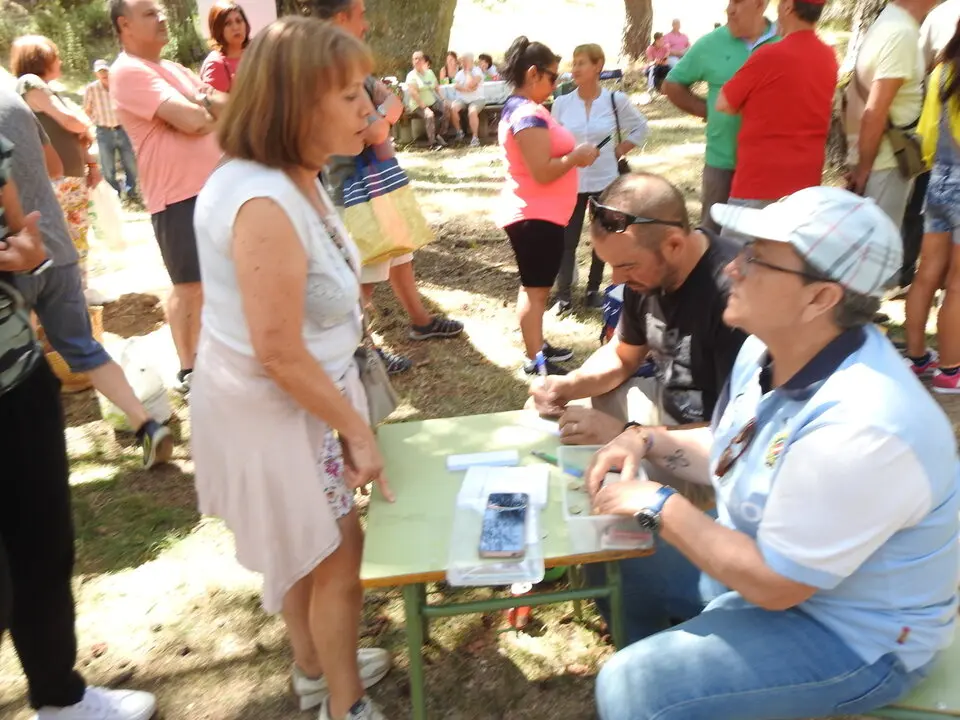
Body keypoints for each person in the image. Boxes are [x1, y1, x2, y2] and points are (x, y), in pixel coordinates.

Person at [591, 186, 959, 720]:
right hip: (774, 565)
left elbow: (776, 585)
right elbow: (731, 447)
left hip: (855, 636)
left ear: (821, 298)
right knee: (624, 560)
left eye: (758, 259)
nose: (732, 268)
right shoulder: (767, 349)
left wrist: (658, 503)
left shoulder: (864, 425)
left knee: (635, 687)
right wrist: (643, 438)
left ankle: (671, 693)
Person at [192, 19, 393, 720]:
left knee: (313, 550)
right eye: (346, 95)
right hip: (280, 408)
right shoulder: (264, 199)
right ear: (296, 105)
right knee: (337, 551)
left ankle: (314, 668)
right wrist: (356, 433)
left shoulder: (291, 175)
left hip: (299, 400)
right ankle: (345, 704)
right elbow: (277, 350)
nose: (366, 105)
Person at [530, 173, 746, 642]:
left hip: (718, 454)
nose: (617, 279)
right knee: (602, 395)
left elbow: (737, 443)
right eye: (609, 265)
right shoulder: (645, 273)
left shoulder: (732, 299)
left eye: (626, 266)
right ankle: (616, 577)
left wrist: (623, 432)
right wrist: (570, 383)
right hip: (668, 421)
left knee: (610, 456)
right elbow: (624, 356)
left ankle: (652, 592)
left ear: (673, 244)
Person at [0, 134, 158, 720]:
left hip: (17, 379)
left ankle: (60, 698)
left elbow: (23, 237)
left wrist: (29, 256)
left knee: (43, 548)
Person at [1, 68, 172, 469]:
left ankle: (32, 464)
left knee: (19, 363)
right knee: (82, 347)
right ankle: (146, 423)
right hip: (55, 246)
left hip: (10, 257)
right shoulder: (14, 99)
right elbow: (56, 168)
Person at [317, 0, 464, 376]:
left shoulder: (352, 65)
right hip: (353, 188)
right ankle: (362, 350)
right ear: (340, 18)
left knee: (399, 253)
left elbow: (391, 105)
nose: (366, 24)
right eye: (360, 14)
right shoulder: (328, 69)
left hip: (378, 179)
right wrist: (380, 117)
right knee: (363, 274)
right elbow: (377, 123)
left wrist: (381, 115)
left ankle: (420, 321)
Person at [109, 0, 227, 393]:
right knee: (189, 285)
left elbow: (226, 110)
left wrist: (203, 105)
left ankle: (216, 357)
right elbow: (196, 120)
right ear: (124, 25)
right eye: (149, 13)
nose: (161, 18)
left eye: (160, 11)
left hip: (217, 186)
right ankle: (190, 369)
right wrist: (204, 106)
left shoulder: (173, 68)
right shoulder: (127, 71)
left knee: (219, 281)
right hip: (178, 197)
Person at [496, 35, 598, 376]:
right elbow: (541, 171)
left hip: (540, 213)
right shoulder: (526, 113)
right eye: (553, 77)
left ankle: (537, 346)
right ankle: (535, 359)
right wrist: (576, 157)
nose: (557, 84)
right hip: (534, 215)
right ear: (533, 73)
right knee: (536, 291)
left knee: (536, 288)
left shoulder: (526, 109)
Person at [663, 0, 778, 234]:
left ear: (761, 4)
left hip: (772, 167)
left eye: (737, 1)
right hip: (723, 163)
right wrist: (709, 111)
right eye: (728, 2)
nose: (729, 9)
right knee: (714, 240)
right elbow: (672, 85)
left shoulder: (784, 40)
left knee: (769, 245)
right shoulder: (711, 43)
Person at [551, 44, 649, 312]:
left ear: (598, 66)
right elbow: (553, 140)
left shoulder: (615, 101)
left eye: (582, 62)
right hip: (571, 180)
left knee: (602, 237)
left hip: (605, 180)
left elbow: (641, 127)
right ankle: (564, 296)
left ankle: (594, 290)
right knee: (567, 239)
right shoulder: (561, 103)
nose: (576, 68)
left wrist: (619, 149)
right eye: (574, 62)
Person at [716, 0, 837, 210]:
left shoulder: (769, 55)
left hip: (760, 182)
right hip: (806, 184)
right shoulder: (828, 56)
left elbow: (724, 103)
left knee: (740, 243)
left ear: (789, 7)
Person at [11, 35, 101, 292]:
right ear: (40, 59)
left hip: (69, 177)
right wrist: (82, 123)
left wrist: (91, 166)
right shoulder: (31, 83)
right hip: (57, 179)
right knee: (70, 234)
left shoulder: (48, 89)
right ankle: (74, 291)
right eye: (55, 55)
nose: (59, 61)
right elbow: (72, 121)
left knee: (77, 232)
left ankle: (80, 288)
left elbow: (77, 129)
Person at [843, 0, 938, 228]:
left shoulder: (892, 21)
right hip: (885, 165)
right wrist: (864, 169)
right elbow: (874, 112)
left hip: (879, 162)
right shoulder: (901, 33)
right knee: (878, 251)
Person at [904, 20, 960, 391]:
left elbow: (926, 129)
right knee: (957, 284)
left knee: (927, 274)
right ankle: (952, 370)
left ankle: (918, 357)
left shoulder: (943, 68)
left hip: (939, 177)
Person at [83, 59, 140, 202]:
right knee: (107, 168)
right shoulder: (91, 89)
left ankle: (131, 192)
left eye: (105, 70)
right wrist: (95, 121)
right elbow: (87, 109)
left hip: (123, 129)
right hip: (104, 132)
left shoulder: (120, 86)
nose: (103, 74)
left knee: (131, 165)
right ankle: (116, 193)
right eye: (100, 71)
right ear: (96, 74)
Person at [199, 0, 251, 94]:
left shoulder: (254, 54)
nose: (235, 27)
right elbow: (214, 106)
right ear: (218, 29)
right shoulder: (215, 65)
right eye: (228, 23)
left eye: (239, 21)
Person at [405, 50, 448, 149]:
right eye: (415, 59)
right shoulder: (411, 76)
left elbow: (437, 88)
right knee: (429, 115)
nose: (417, 61)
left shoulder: (430, 73)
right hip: (418, 104)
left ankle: (440, 135)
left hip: (432, 102)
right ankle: (432, 143)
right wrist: (425, 108)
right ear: (412, 61)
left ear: (424, 61)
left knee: (447, 108)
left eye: (419, 59)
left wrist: (444, 100)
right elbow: (414, 94)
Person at [450, 52, 486, 147]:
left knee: (472, 111)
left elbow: (472, 84)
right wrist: (466, 89)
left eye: (465, 61)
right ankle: (459, 132)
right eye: (462, 61)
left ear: (471, 61)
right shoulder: (459, 73)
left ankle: (475, 138)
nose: (463, 63)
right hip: (462, 99)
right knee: (453, 107)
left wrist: (468, 72)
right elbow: (456, 86)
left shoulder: (477, 71)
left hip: (477, 99)